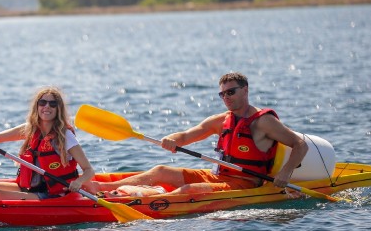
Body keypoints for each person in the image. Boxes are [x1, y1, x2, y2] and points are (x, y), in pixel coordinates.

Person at [85, 72, 308, 196]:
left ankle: (142, 199)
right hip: (219, 177)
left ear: (246, 90)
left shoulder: (264, 122)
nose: (226, 97)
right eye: (222, 94)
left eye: (231, 92)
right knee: (161, 169)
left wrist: (286, 173)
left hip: (245, 185)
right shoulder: (221, 121)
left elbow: (300, 144)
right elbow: (185, 136)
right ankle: (102, 188)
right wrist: (172, 139)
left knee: (189, 190)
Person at [0, 86, 95, 200]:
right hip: (30, 188)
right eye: (42, 103)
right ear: (37, 106)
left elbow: (89, 170)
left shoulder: (65, 136)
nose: (47, 107)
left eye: (52, 104)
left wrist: (78, 182)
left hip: (52, 195)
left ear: (58, 109)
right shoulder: (30, 129)